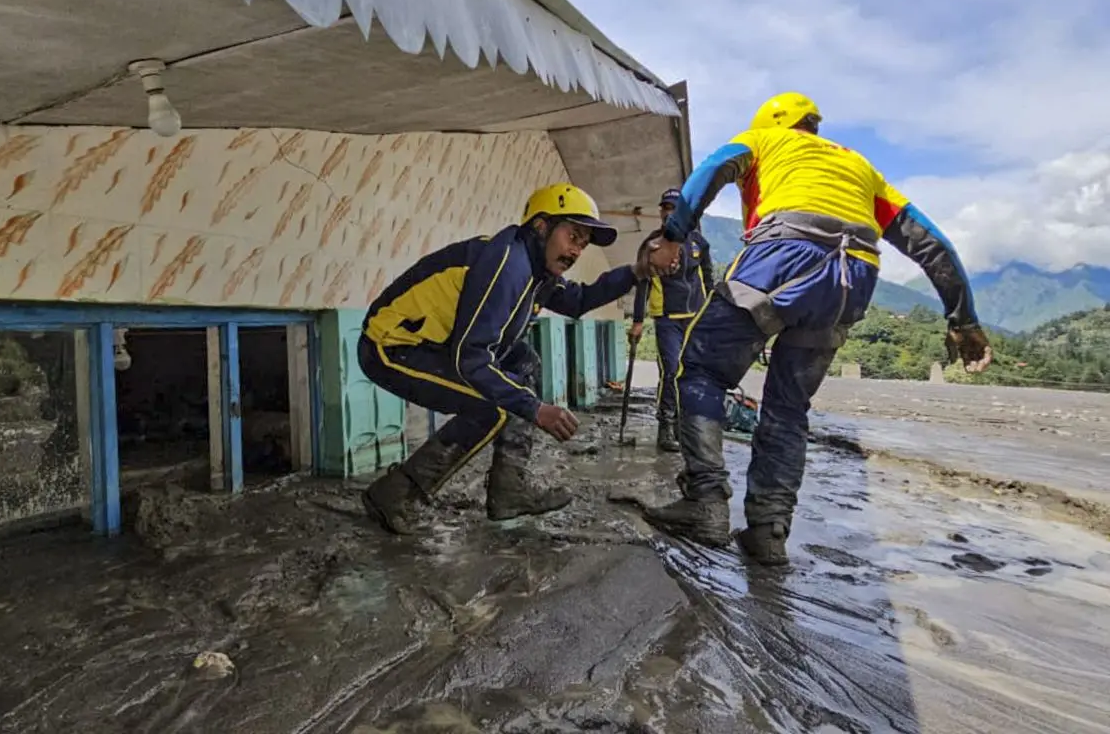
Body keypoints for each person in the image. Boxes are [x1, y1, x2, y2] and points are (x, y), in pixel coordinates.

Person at [643, 92, 993, 566]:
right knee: (788, 407)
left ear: (773, 122)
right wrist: (964, 320)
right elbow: (932, 244)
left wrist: (673, 235)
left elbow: (710, 169)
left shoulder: (763, 139)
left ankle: (705, 502)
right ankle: (768, 530)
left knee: (701, 369)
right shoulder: (862, 168)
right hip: (854, 277)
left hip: (782, 254)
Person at [358, 182, 668, 535]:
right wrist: (535, 408)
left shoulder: (538, 273)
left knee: (524, 361)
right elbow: (471, 360)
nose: (576, 251)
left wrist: (635, 272)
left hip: (436, 345)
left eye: (583, 243)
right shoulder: (508, 266)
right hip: (390, 345)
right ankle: (397, 495)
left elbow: (578, 301)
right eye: (573, 236)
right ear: (541, 226)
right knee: (490, 409)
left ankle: (509, 489)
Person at [630, 188, 714, 452]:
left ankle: (684, 426)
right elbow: (642, 282)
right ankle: (665, 425)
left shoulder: (699, 243)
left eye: (674, 208)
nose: (669, 213)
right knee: (671, 370)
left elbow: (708, 280)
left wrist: (713, 311)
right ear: (660, 211)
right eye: (665, 208)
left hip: (695, 316)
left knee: (693, 372)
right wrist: (637, 320)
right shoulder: (652, 243)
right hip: (666, 317)